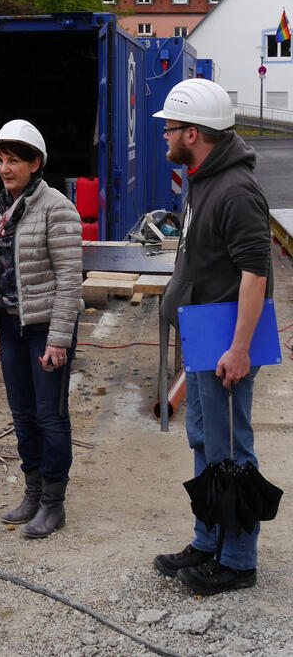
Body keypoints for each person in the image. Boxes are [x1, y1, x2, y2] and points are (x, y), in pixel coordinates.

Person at [151, 78, 272, 595]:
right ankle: (208, 539)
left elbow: (255, 273)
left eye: (170, 129)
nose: (164, 138)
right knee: (204, 440)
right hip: (204, 336)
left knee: (231, 449)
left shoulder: (236, 191)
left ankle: (239, 560)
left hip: (226, 343)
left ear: (194, 133)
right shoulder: (202, 177)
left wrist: (240, 348)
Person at [0, 120, 82, 539]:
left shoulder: (56, 208)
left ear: (36, 163)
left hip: (44, 330)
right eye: (2, 160)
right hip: (11, 326)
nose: (6, 168)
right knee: (23, 415)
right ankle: (33, 492)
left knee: (50, 416)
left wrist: (59, 339)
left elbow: (70, 279)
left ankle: (54, 504)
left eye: (15, 160)